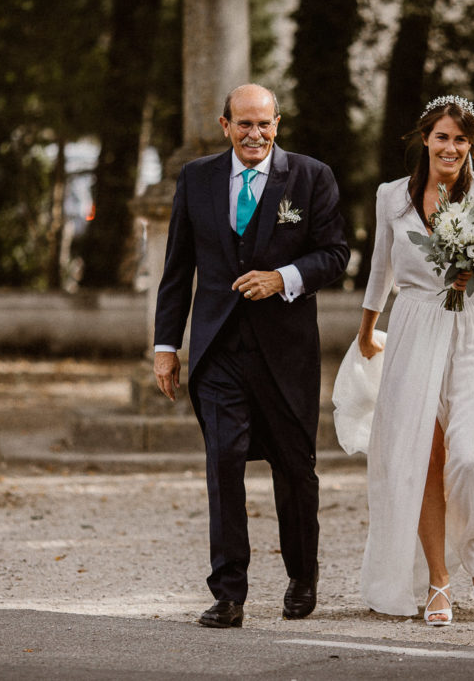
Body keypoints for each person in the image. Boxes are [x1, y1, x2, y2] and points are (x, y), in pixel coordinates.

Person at [153, 83, 349, 628]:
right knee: (223, 466)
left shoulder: (311, 177)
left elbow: (336, 254)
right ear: (225, 126)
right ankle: (229, 593)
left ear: (277, 124)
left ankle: (301, 576)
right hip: (217, 351)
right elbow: (177, 268)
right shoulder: (196, 179)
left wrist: (283, 278)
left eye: (263, 124)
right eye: (243, 124)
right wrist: (167, 346)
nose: (254, 134)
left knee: (294, 468)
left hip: (285, 353)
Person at [356, 95, 474, 625]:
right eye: (442, 137)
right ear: (425, 138)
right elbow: (380, 266)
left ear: (470, 145)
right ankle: (439, 581)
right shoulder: (391, 197)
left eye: (461, 139)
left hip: (472, 327)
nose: (451, 147)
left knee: (468, 455)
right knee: (422, 455)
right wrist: (366, 331)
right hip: (414, 327)